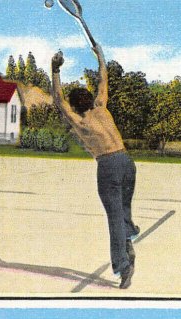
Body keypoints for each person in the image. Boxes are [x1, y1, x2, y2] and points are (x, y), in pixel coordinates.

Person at [51, 46, 139, 289]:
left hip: (108, 165)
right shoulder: (102, 106)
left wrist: (55, 70)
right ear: (89, 99)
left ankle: (123, 265)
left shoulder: (81, 121)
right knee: (123, 211)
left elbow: (59, 101)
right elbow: (104, 80)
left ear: (76, 105)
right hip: (127, 162)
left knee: (114, 219)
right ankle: (128, 233)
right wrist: (100, 56)